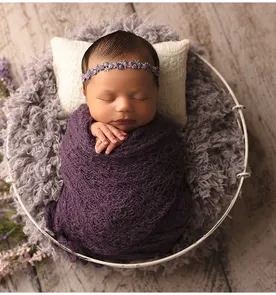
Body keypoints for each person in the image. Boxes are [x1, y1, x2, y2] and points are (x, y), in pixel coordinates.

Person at [45, 30, 192, 263]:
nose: (124, 106)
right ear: (85, 94)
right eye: (107, 98)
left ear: (157, 92)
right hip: (85, 220)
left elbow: (172, 168)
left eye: (140, 97)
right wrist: (90, 129)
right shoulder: (83, 124)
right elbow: (72, 152)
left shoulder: (162, 135)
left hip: (155, 233)